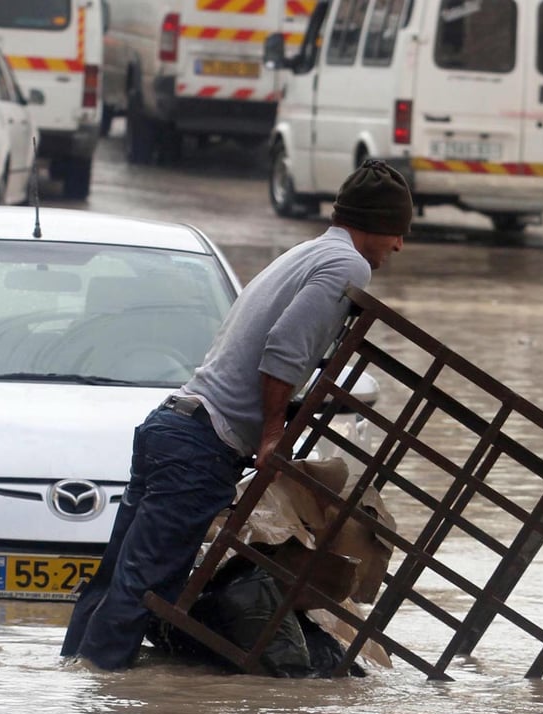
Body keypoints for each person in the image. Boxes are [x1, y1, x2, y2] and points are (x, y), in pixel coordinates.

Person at [60, 159, 414, 671]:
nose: (398, 247)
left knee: (117, 578)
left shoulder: (307, 252)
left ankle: (74, 681)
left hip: (171, 426)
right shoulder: (347, 265)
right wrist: (273, 434)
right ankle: (101, 687)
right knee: (141, 589)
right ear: (374, 225)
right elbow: (285, 350)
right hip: (201, 447)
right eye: (397, 233)